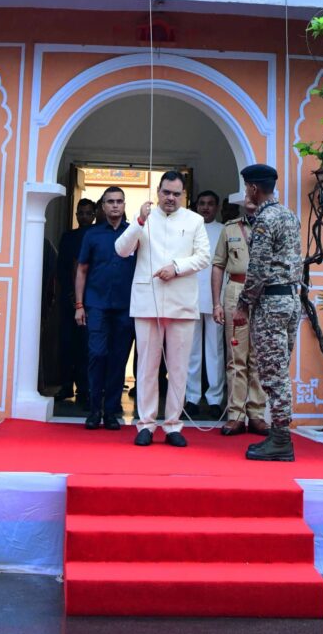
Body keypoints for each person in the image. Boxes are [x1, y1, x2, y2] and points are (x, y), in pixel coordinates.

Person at [115, 170, 210, 447]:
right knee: (147, 366)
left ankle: (172, 425)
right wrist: (138, 222)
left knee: (179, 368)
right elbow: (121, 250)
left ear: (183, 195)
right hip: (148, 301)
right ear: (158, 191)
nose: (170, 198)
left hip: (182, 302)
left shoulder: (194, 220)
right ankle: (145, 423)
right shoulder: (144, 217)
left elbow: (204, 256)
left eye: (176, 194)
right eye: (166, 192)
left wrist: (176, 267)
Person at [233, 164, 302, 462]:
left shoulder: (264, 220)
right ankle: (279, 435)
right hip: (291, 300)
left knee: (273, 374)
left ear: (252, 188)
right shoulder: (289, 215)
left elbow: (258, 269)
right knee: (280, 369)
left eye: (246, 187)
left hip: (271, 304)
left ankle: (281, 439)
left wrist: (243, 304)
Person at [74, 187, 136, 431]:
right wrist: (79, 305)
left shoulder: (134, 233)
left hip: (126, 307)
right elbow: (82, 270)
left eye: (119, 201)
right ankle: (94, 410)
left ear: (124, 205)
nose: (115, 205)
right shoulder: (92, 234)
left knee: (118, 359)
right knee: (97, 354)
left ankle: (110, 411)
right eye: (110, 201)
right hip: (96, 304)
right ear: (103, 206)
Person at [212, 199, 269, 436]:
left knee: (259, 356)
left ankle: (256, 414)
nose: (252, 199)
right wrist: (216, 303)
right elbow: (218, 265)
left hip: (265, 293)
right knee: (236, 356)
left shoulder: (272, 224)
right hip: (236, 289)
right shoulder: (230, 228)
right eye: (249, 192)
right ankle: (235, 414)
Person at [184, 190, 226, 418]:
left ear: (217, 207)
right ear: (196, 206)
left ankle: (215, 399)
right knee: (191, 352)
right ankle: (191, 397)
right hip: (190, 297)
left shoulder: (224, 230)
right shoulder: (188, 229)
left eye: (210, 203)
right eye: (202, 203)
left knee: (215, 351)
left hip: (216, 299)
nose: (206, 207)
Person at [55, 199, 95, 405]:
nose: (84, 217)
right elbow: (61, 267)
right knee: (66, 343)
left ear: (94, 215)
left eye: (88, 213)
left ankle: (84, 389)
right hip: (68, 300)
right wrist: (71, 294)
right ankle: (66, 385)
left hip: (91, 300)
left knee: (85, 346)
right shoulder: (68, 237)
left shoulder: (96, 235)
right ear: (77, 215)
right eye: (81, 213)